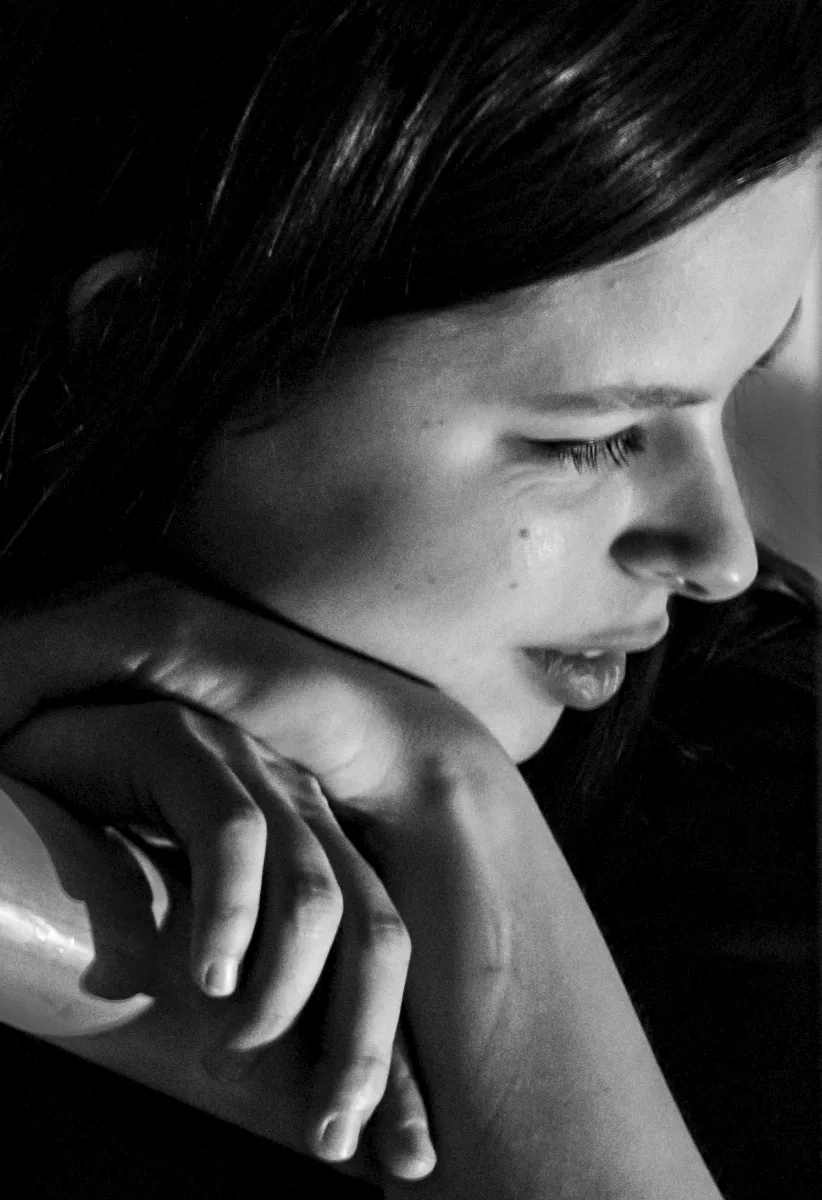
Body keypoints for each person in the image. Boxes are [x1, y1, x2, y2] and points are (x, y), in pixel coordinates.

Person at [0, 1, 819, 1196]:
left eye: (733, 392)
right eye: (593, 438)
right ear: (140, 343)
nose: (721, 553)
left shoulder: (766, 809)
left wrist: (456, 799)